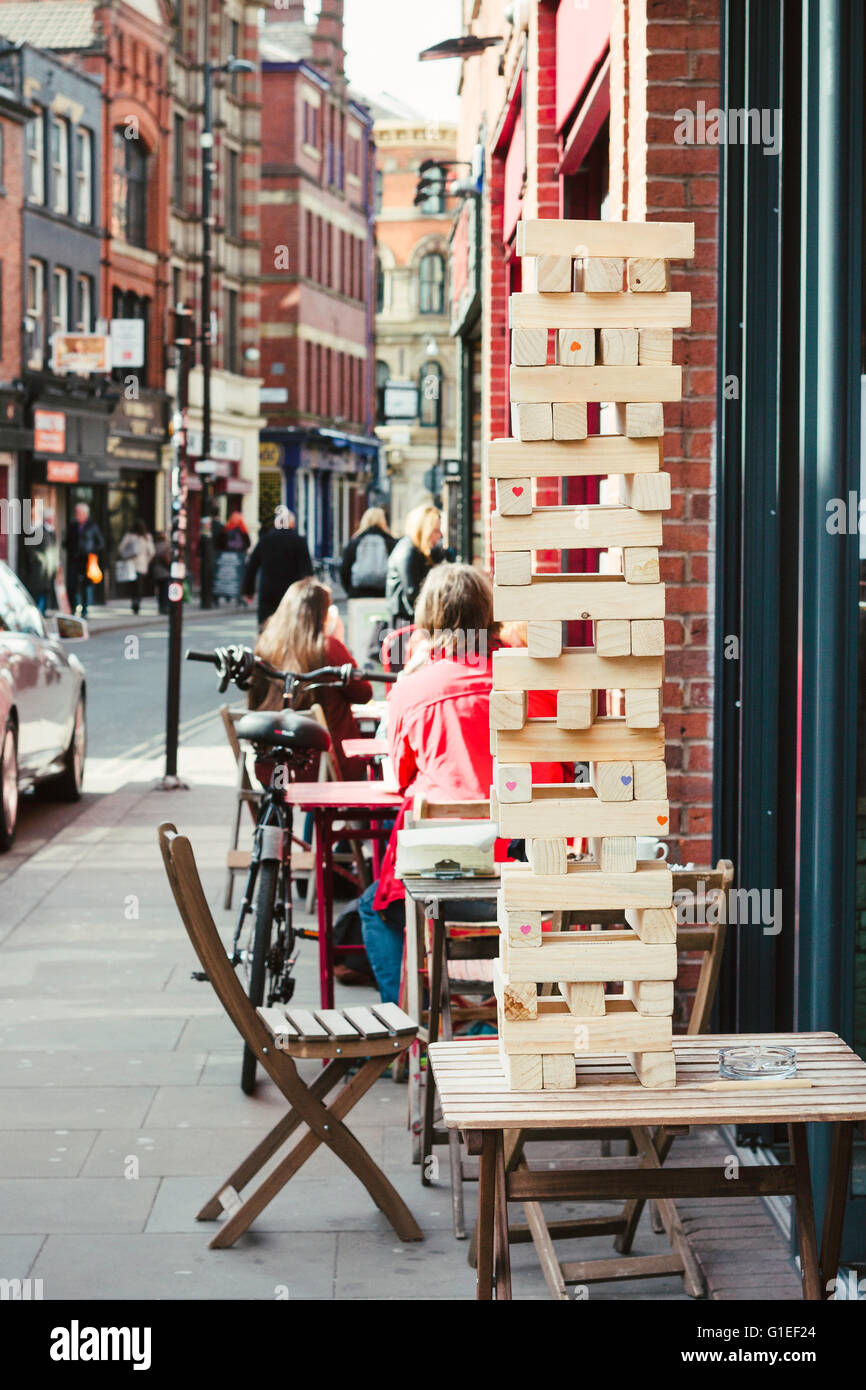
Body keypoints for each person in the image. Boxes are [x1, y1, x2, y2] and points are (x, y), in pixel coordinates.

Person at [358, 564, 566, 1004]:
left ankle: (412, 1028)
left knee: (375, 908)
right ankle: (512, 1013)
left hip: (445, 883)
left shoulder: (414, 688)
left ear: (427, 619)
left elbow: (396, 778)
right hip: (534, 882)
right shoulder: (537, 680)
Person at [247, 577, 373, 780]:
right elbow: (364, 693)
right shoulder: (328, 648)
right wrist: (338, 641)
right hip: (324, 769)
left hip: (274, 770)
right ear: (321, 615)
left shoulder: (266, 646)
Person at [242, 505, 314, 627]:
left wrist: (248, 591)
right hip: (292, 593)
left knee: (266, 626)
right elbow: (307, 571)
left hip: (269, 592)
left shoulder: (265, 540)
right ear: (292, 523)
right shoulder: (298, 541)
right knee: (290, 627)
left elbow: (251, 567)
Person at [384, 504, 446, 631]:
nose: (439, 536)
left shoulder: (418, 550)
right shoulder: (407, 552)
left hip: (411, 620)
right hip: (405, 623)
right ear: (423, 530)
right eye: (435, 531)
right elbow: (413, 592)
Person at [339, 507, 395, 598]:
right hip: (383, 593)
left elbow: (344, 569)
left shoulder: (355, 542)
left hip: (358, 593)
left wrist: (350, 589)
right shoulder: (390, 542)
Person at [65, 501, 105, 618]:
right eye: (76, 512)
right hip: (74, 560)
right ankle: (74, 608)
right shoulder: (72, 526)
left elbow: (101, 543)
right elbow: (67, 542)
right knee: (73, 585)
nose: (77, 515)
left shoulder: (92, 527)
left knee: (86, 586)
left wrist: (92, 552)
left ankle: (85, 610)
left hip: (87, 561)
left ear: (85, 514)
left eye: (79, 513)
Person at [24, 504, 59, 613]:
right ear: (48, 518)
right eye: (53, 516)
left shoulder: (51, 531)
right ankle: (38, 613)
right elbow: (30, 548)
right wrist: (40, 559)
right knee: (38, 593)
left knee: (46, 592)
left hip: (49, 569)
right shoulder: (38, 531)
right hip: (40, 569)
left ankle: (43, 612)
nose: (54, 519)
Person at [118, 519, 155, 615]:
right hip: (133, 564)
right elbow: (121, 548)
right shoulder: (131, 536)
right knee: (136, 585)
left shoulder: (146, 537)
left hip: (140, 565)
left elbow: (151, 552)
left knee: (137, 585)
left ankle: (136, 602)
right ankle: (135, 601)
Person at [150, 531, 171, 615]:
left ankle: (160, 606)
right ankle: (165, 607)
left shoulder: (154, 546)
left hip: (157, 572)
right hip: (165, 571)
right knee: (165, 590)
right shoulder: (167, 545)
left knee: (160, 590)